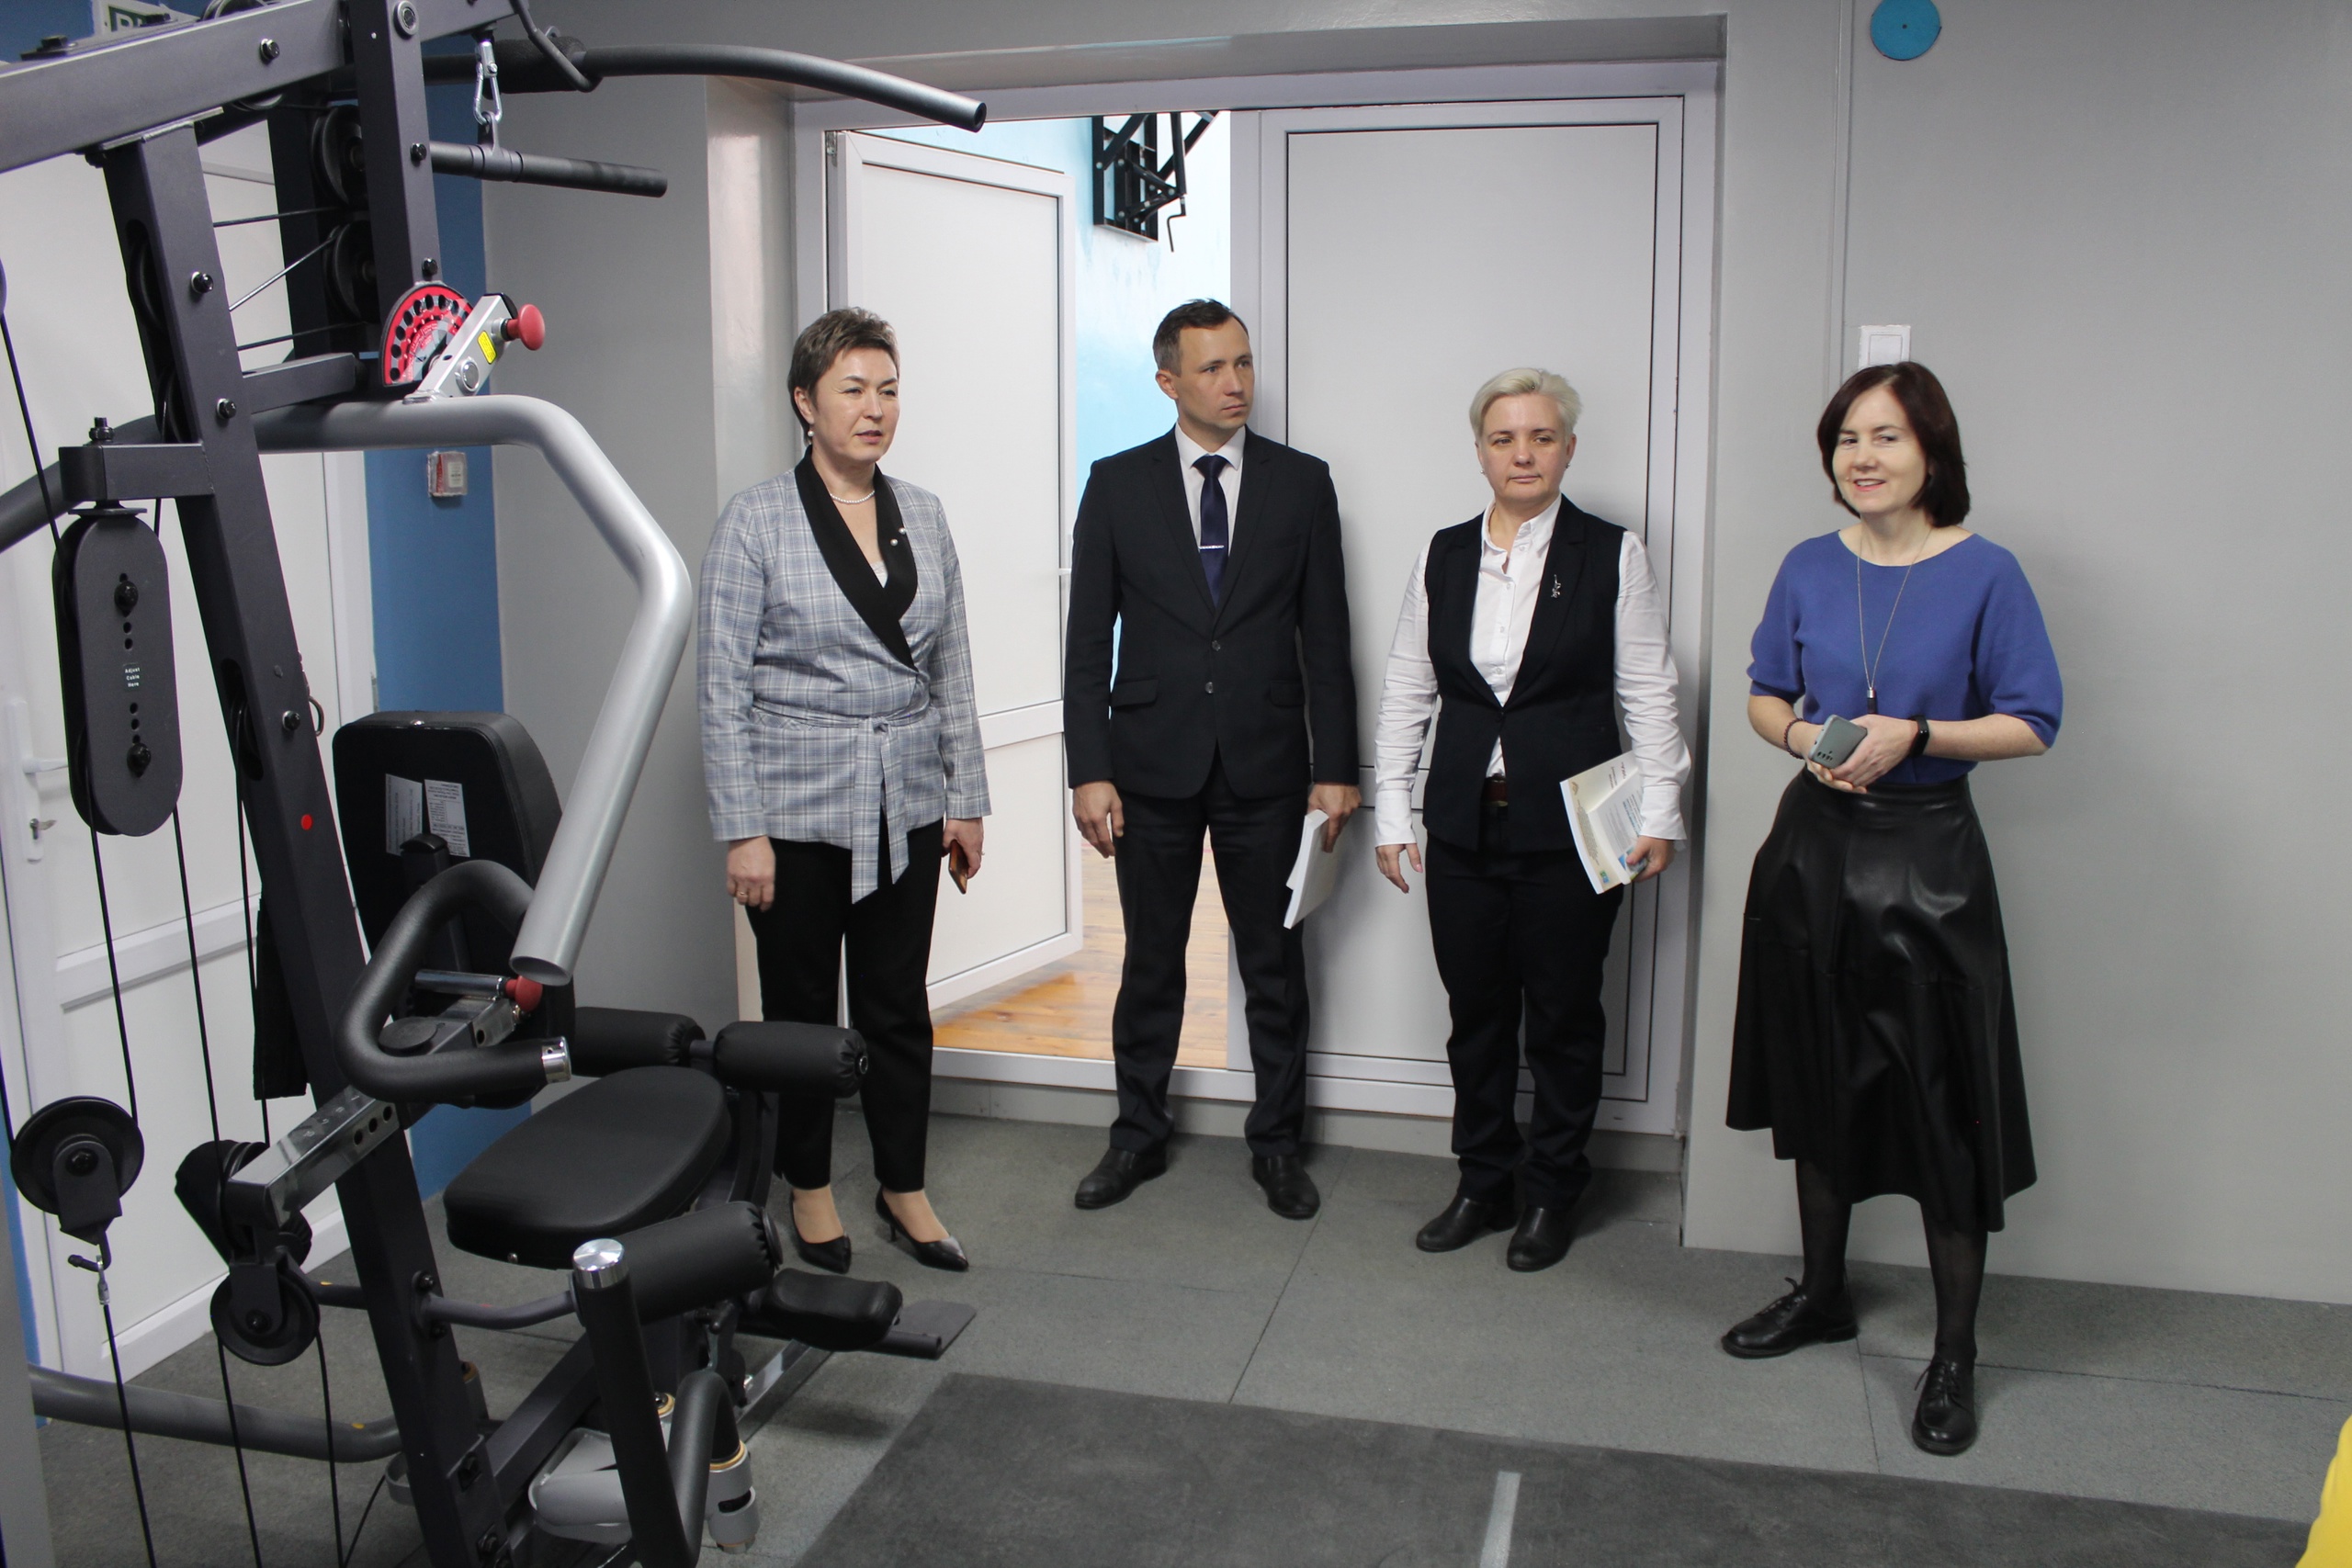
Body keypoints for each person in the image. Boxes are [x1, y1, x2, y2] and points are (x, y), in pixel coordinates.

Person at [1723, 361, 2061, 1456]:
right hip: (1811, 855)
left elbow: (2033, 722)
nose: (1862, 457)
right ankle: (1822, 1295)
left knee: (1941, 1106)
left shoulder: (1987, 572)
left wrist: (1915, 734)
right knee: (1818, 1077)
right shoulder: (1807, 565)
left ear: (1930, 452)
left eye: (1886, 437)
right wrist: (1801, 738)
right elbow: (1764, 693)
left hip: (1928, 862)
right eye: (1846, 439)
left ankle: (1954, 1354)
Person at [1371, 368, 1690, 1272]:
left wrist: (1662, 811)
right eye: (1504, 438)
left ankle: (1552, 1191)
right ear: (1479, 451)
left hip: (1574, 832)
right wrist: (1392, 811)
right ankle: (1483, 1182)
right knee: (1475, 1015)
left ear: (1568, 449)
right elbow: (1407, 688)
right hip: (1463, 826)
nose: (1523, 454)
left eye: (1541, 437)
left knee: (1562, 1018)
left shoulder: (1612, 552)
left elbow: (1649, 691)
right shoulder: (1442, 554)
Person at [697, 307, 989, 1274]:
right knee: (801, 1009)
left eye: (888, 390)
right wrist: (742, 830)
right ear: (804, 402)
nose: (874, 410)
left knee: (897, 1002)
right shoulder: (755, 520)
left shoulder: (924, 514)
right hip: (794, 805)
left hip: (906, 794)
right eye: (853, 390)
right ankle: (810, 1183)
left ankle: (903, 1183)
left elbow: (951, 669)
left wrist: (964, 797)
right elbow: (720, 688)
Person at [1063, 299, 1360, 1219]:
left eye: (1243, 363)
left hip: (1267, 765)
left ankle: (1277, 1145)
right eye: (1212, 368)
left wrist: (1336, 765)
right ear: (1168, 381)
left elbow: (1326, 637)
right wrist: (1088, 768)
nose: (1236, 383)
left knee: (1273, 964)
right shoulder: (1116, 484)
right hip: (1148, 765)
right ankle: (1136, 1136)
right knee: (1150, 960)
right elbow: (1086, 643)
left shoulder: (1302, 483)